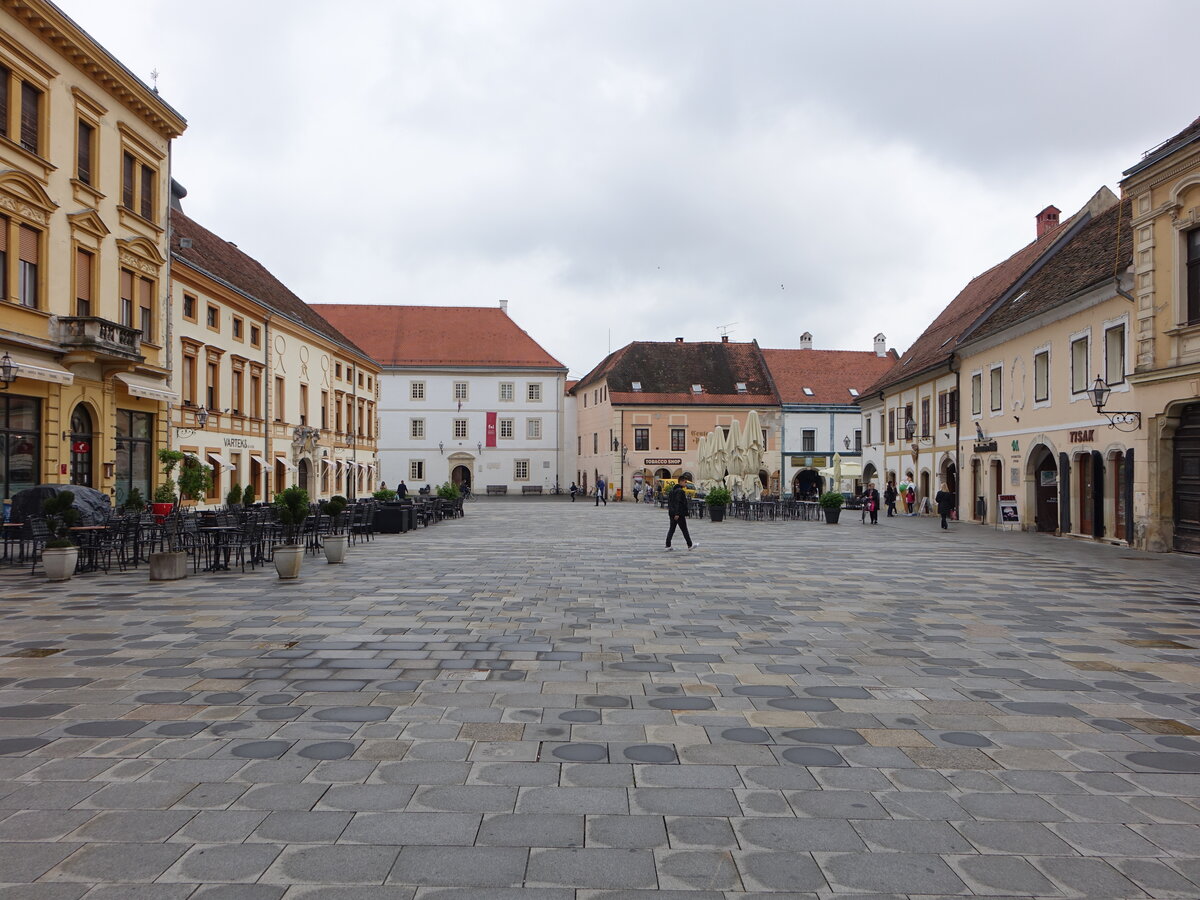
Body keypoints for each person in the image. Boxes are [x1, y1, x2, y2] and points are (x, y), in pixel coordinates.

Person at [665, 478, 696, 550]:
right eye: (685, 482)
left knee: (672, 529)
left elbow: (670, 503)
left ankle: (668, 545)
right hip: (678, 513)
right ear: (681, 482)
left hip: (672, 513)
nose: (686, 484)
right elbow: (678, 503)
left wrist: (672, 512)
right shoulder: (680, 491)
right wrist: (677, 513)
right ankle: (690, 545)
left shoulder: (672, 491)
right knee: (684, 529)